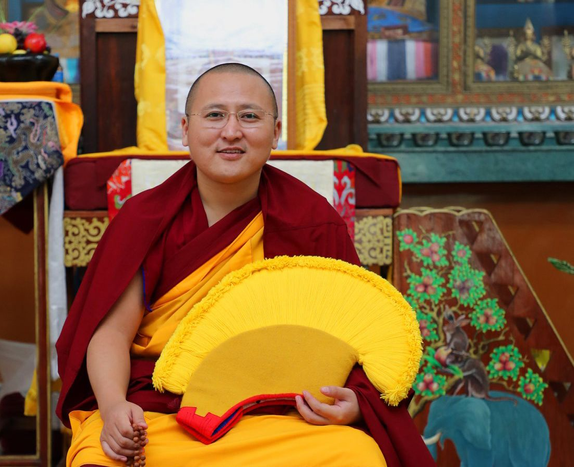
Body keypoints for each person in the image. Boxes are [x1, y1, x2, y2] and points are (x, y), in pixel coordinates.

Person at [57, 63, 435, 467]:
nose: (232, 131)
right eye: (215, 115)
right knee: (98, 456)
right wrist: (114, 406)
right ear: (185, 129)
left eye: (250, 116)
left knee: (355, 454)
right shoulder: (145, 220)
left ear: (275, 132)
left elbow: (354, 336)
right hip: (161, 411)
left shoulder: (311, 219)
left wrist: (356, 403)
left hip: (275, 415)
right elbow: (112, 334)